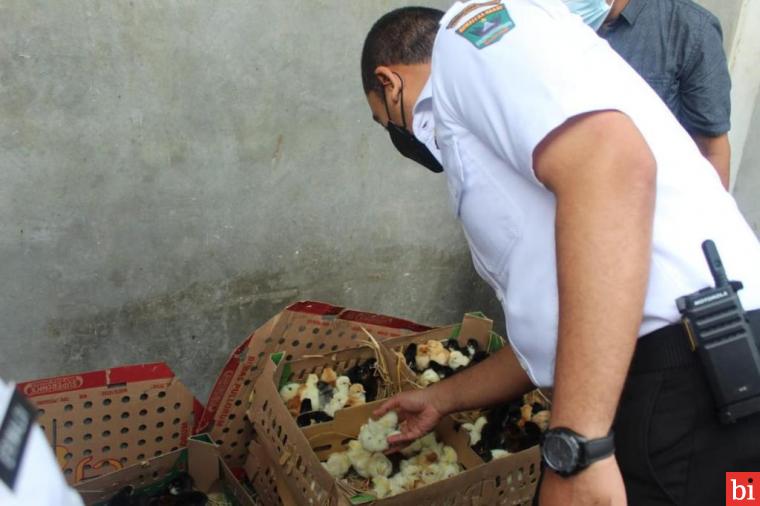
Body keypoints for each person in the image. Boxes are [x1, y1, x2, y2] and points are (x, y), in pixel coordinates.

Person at [360, 2, 760, 505]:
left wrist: (579, 445)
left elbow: (610, 163)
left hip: (677, 386)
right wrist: (442, 399)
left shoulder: (468, 36)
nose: (399, 135)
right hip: (699, 378)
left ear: (389, 83)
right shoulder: (506, 111)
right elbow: (564, 327)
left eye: (384, 120)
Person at [596, 0, 732, 188]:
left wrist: (709, 215)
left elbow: (711, 150)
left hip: (644, 200)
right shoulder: (555, 17)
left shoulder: (690, 28)